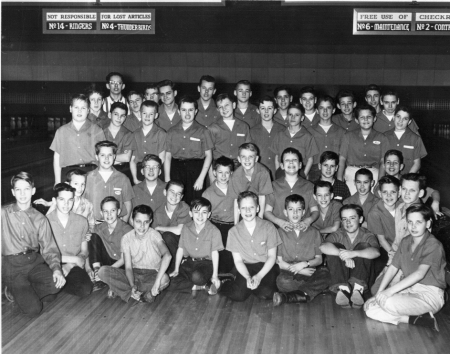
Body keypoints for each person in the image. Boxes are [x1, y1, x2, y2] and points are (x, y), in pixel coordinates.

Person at [365, 204, 446, 332]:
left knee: (387, 302)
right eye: (410, 222)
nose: (413, 226)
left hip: (430, 295)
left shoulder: (433, 244)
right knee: (369, 308)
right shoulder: (405, 241)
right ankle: (416, 319)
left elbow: (419, 274)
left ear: (428, 223)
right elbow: (392, 268)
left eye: (418, 222)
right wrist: (379, 293)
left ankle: (417, 314)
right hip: (410, 290)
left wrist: (389, 292)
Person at [2, 172, 65, 316]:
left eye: (26, 189)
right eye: (18, 189)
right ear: (13, 192)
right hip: (12, 267)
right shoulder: (3, 213)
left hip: (33, 263)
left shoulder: (40, 219)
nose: (23, 193)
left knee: (55, 286)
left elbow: (49, 249)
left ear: (33, 190)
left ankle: (24, 291)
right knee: (34, 310)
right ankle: (14, 290)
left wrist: (56, 269)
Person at [98, 205, 172, 303]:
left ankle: (127, 291)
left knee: (165, 279)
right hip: (133, 274)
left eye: (146, 222)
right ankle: (136, 292)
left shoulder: (154, 235)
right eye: (138, 222)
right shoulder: (126, 238)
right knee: (102, 271)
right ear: (132, 221)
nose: (142, 226)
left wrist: (157, 282)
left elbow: (168, 255)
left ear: (150, 221)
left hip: (152, 274)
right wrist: (132, 285)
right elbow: (128, 268)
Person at [219, 191, 281, 302]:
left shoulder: (269, 227)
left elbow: (272, 257)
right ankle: (224, 282)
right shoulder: (233, 232)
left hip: (265, 265)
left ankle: (251, 287)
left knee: (266, 293)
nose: (247, 211)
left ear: (257, 208)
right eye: (243, 208)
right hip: (245, 266)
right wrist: (247, 277)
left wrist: (259, 276)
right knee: (238, 295)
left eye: (251, 207)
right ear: (239, 210)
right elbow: (238, 261)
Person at [273, 194, 331, 305]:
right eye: (291, 209)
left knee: (326, 274)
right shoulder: (280, 232)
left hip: (309, 270)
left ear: (303, 212)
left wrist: (305, 264)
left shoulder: (314, 232)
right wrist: (299, 270)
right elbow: (279, 262)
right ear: (286, 212)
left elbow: (319, 259)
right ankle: (309, 292)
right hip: (289, 271)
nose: (295, 213)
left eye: (298, 210)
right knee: (282, 281)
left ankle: (291, 296)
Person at [320, 204, 380, 309]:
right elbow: (323, 246)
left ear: (360, 219)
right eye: (344, 219)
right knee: (336, 247)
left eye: (352, 218)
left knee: (364, 246)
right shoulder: (339, 233)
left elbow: (376, 252)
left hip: (362, 278)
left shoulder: (367, 235)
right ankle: (343, 289)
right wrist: (343, 254)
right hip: (341, 277)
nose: (348, 222)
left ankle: (358, 289)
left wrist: (354, 253)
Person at [165, 96, 213, 205]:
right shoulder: (171, 132)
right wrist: (168, 179)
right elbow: (167, 156)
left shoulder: (203, 131)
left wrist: (201, 178)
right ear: (178, 111)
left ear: (195, 111)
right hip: (177, 169)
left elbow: (209, 156)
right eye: (184, 110)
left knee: (195, 202)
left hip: (195, 170)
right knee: (177, 202)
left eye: (190, 110)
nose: (187, 113)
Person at [169, 198, 224, 295]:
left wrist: (215, 275)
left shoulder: (214, 231)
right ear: (190, 214)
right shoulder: (186, 228)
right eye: (196, 212)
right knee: (168, 279)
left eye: (204, 212)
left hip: (206, 264)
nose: (200, 216)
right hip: (190, 262)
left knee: (196, 276)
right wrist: (176, 269)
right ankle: (202, 286)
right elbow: (180, 249)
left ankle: (205, 281)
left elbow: (215, 253)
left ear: (209, 214)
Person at [47, 183, 92, 297]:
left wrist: (70, 265)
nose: (66, 204)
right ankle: (56, 285)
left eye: (70, 200)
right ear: (55, 200)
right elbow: (44, 254)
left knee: (85, 290)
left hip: (72, 266)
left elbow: (84, 251)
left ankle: (60, 285)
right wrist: (74, 259)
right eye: (62, 199)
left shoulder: (82, 221)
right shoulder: (45, 221)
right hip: (51, 265)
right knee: (49, 293)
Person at [50, 93, 105, 184]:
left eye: (83, 108)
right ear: (70, 109)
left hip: (91, 173)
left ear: (88, 110)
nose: (79, 111)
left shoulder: (97, 130)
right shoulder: (61, 131)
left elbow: (102, 155)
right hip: (68, 174)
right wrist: (57, 181)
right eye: (76, 107)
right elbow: (57, 157)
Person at [338, 104, 389, 195]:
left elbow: (383, 162)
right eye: (362, 117)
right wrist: (339, 180)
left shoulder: (382, 137)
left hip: (373, 174)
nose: (365, 120)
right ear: (357, 120)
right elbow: (342, 159)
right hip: (352, 173)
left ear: (374, 119)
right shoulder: (348, 136)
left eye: (369, 117)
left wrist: (380, 181)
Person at [265, 148, 319, 231]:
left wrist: (308, 221)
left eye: (294, 160)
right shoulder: (273, 186)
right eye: (287, 160)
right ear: (282, 166)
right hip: (278, 230)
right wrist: (280, 222)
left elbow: (315, 211)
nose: (291, 162)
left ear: (300, 165)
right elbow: (267, 212)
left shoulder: (309, 186)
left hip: (302, 231)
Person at [87, 196, 133, 293]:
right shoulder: (99, 227)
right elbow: (88, 241)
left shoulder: (127, 230)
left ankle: (107, 279)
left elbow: (125, 259)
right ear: (101, 213)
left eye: (112, 210)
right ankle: (97, 273)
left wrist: (108, 270)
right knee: (93, 237)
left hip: (121, 265)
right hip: (106, 262)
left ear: (118, 211)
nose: (109, 214)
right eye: (105, 211)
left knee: (125, 275)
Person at [84, 141, 134, 223]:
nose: (106, 158)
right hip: (94, 224)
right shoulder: (87, 178)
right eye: (102, 155)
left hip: (116, 224)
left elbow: (128, 204)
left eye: (110, 155)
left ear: (114, 156)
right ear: (97, 157)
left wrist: (123, 225)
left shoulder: (123, 179)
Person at [202, 156, 237, 273]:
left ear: (231, 173)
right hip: (216, 225)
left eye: (227, 173)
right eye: (220, 172)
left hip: (233, 224)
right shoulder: (208, 193)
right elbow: (205, 217)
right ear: (214, 173)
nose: (223, 176)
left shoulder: (236, 189)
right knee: (221, 253)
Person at [270, 103, 319, 179]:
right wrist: (278, 173)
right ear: (287, 117)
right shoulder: (280, 135)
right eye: (290, 114)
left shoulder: (307, 136)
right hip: (282, 173)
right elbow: (277, 157)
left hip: (299, 173)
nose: (293, 117)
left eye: (296, 115)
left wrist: (303, 175)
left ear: (302, 118)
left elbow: (310, 160)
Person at [152, 180, 191, 273]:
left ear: (181, 197)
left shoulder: (184, 207)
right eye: (172, 192)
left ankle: (172, 269)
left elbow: (179, 230)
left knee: (167, 236)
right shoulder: (158, 212)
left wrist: (159, 228)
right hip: (167, 249)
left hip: (185, 247)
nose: (174, 196)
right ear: (165, 192)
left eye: (178, 194)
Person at [207, 93, 251, 175]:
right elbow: (208, 154)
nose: (224, 109)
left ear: (234, 105)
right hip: (219, 167)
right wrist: (211, 175)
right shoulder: (213, 128)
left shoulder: (244, 126)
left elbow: (248, 150)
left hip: (239, 166)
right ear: (217, 109)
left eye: (227, 105)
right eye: (220, 107)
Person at [230, 143, 273, 222]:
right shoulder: (235, 176)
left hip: (262, 207)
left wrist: (260, 219)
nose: (247, 160)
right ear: (239, 159)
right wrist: (236, 224)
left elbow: (262, 197)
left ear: (256, 159)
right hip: (245, 207)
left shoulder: (263, 172)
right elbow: (236, 201)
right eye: (243, 157)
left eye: (251, 157)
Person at [367, 175, 400, 274]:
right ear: (380, 194)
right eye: (385, 192)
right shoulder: (374, 213)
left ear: (399, 193)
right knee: (379, 267)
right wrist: (394, 255)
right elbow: (381, 241)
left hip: (404, 246)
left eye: (393, 192)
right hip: (387, 248)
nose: (389, 196)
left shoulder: (404, 206)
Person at [308, 96, 345, 181]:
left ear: (333, 110)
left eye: (328, 108)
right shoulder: (309, 132)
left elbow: (343, 157)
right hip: (314, 173)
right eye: (321, 108)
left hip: (334, 172)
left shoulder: (342, 132)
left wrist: (340, 176)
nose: (325, 111)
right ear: (317, 110)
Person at [130, 100, 166, 185]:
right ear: (140, 114)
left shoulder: (161, 134)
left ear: (156, 115)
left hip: (155, 172)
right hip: (139, 171)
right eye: (144, 113)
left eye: (151, 114)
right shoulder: (134, 134)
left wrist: (154, 175)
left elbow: (162, 158)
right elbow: (132, 160)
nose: (147, 117)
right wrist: (135, 178)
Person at [250, 96, 285, 179]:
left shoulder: (283, 130)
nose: (266, 111)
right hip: (259, 175)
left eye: (269, 108)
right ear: (258, 110)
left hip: (279, 174)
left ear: (275, 110)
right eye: (263, 108)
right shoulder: (252, 131)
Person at [384, 106, 427, 173]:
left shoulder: (415, 138)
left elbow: (417, 164)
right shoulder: (384, 136)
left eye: (405, 119)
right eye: (398, 117)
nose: (400, 121)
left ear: (409, 122)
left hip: (408, 178)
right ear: (393, 117)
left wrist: (407, 180)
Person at [104, 102, 136, 176]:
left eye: (122, 116)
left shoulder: (128, 134)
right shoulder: (101, 132)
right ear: (109, 115)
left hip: (123, 170)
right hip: (104, 170)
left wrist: (106, 157)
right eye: (116, 114)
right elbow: (97, 157)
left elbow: (126, 158)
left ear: (125, 118)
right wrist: (119, 157)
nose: (119, 118)